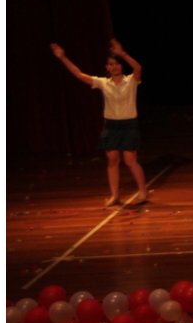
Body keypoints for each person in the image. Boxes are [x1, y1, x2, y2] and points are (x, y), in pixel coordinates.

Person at [50, 39, 150, 206]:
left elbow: (138, 68)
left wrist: (122, 54)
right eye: (110, 64)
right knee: (112, 160)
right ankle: (115, 195)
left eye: (116, 64)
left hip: (129, 124)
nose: (114, 67)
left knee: (130, 160)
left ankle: (143, 192)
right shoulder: (103, 83)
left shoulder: (131, 81)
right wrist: (63, 57)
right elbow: (79, 75)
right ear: (107, 68)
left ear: (121, 66)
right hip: (111, 125)